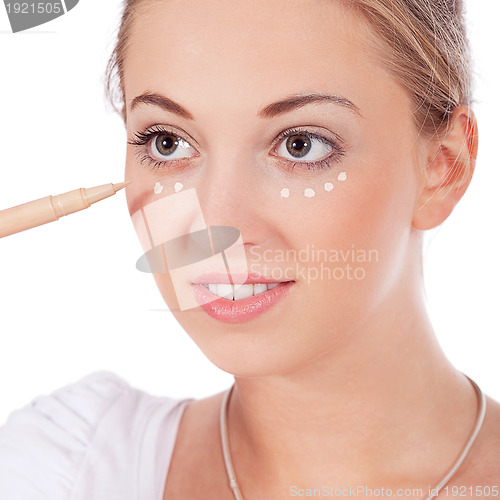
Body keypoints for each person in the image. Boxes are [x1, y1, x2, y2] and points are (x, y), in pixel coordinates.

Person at [1, 0, 499, 498]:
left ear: (444, 168)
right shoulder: (60, 470)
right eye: (167, 142)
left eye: (301, 144)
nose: (216, 223)